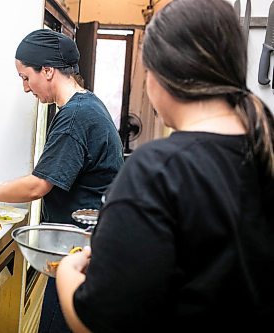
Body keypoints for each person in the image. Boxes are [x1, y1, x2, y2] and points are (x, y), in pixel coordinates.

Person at [56, 0, 274, 332]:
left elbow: (99, 322)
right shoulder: (263, 146)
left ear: (160, 76)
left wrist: (66, 274)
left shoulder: (158, 169)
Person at [0, 29, 124, 332]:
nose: (26, 88)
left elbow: (38, 185)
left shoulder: (76, 116)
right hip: (89, 247)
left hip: (80, 255)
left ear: (48, 71)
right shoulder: (87, 104)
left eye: (26, 77)